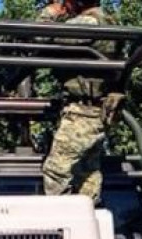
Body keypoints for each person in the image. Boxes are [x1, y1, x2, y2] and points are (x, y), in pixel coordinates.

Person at [37, 0, 123, 203]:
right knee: (87, 173)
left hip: (82, 112)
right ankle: (88, 219)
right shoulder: (108, 21)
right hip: (98, 111)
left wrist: (50, 13)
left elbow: (39, 36)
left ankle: (62, 224)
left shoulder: (86, 24)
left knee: (56, 172)